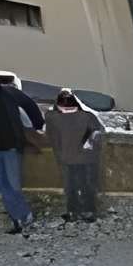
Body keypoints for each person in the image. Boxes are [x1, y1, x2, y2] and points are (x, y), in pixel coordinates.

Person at [0, 71, 42, 236]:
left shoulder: (9, 93)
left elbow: (29, 105)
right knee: (1, 185)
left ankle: (23, 216)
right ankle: (18, 217)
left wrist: (39, 125)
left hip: (10, 148)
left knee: (13, 184)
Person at [46, 90, 103, 223]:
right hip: (85, 157)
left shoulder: (52, 117)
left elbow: (51, 136)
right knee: (85, 184)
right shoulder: (88, 116)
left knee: (72, 185)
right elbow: (98, 131)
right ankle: (88, 212)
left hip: (67, 157)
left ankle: (74, 212)